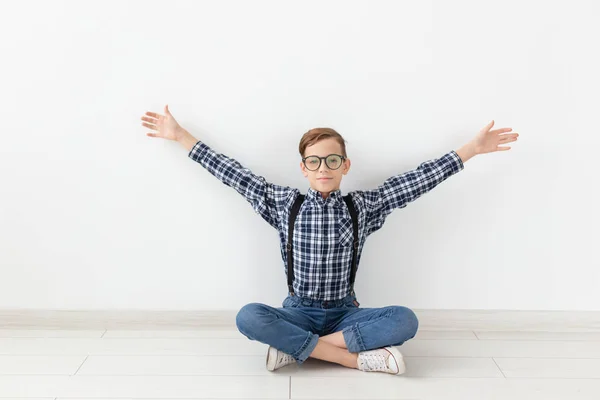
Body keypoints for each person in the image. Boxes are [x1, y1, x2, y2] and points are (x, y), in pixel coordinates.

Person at [140, 105, 519, 375]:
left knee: (406, 320)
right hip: (298, 310)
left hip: (345, 312)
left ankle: (298, 349)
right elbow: (232, 173)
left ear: (345, 166)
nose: (324, 168)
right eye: (315, 161)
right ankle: (351, 359)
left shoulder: (363, 207)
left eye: (333, 160)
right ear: (303, 168)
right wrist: (179, 136)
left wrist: (471, 149)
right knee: (248, 316)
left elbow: (415, 181)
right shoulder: (283, 203)